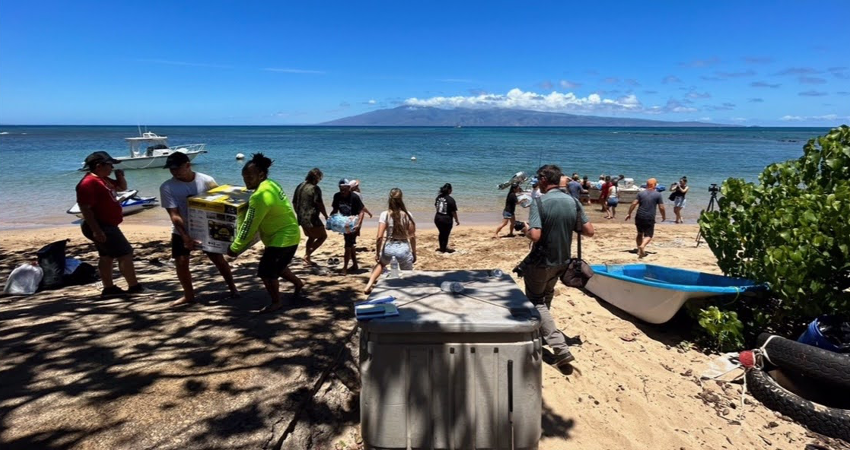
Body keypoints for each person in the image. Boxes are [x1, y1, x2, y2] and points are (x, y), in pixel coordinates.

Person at [525, 164, 595, 368]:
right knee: (546, 295)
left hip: (541, 260)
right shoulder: (573, 201)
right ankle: (542, 331)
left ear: (545, 179)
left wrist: (527, 231)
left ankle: (560, 348)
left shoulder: (538, 202)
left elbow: (536, 235)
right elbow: (589, 231)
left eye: (538, 178)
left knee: (536, 300)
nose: (537, 181)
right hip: (563, 261)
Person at [160, 152, 239, 305]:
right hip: (181, 229)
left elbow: (219, 204)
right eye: (171, 169)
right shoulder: (167, 187)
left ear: (188, 165)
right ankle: (188, 295)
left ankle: (233, 288)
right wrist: (185, 236)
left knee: (218, 259)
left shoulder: (207, 180)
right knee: (181, 262)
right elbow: (174, 214)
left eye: (177, 168)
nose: (174, 172)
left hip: (207, 229)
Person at [227, 153, 303, 313]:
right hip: (291, 233)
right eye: (244, 177)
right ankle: (298, 283)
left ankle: (276, 302)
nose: (246, 181)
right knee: (279, 267)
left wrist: (235, 248)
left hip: (283, 238)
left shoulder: (259, 196)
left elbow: (249, 225)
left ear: (261, 174)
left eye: (249, 177)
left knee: (266, 273)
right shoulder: (271, 184)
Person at [75, 151, 142, 299]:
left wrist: (120, 176)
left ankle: (109, 288)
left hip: (107, 225)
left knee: (107, 256)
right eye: (110, 165)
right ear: (99, 166)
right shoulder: (88, 183)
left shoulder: (103, 179)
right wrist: (97, 230)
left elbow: (122, 188)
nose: (112, 167)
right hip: (101, 225)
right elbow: (85, 208)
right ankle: (134, 287)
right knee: (125, 253)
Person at [364, 188, 417, 294]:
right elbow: (412, 237)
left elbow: (379, 237)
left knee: (381, 264)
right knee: (407, 274)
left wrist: (377, 253)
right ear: (401, 199)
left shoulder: (385, 214)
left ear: (390, 199)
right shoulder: (407, 215)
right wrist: (414, 253)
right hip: (403, 247)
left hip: (389, 246)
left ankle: (369, 285)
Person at [293, 168, 329, 266]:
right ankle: (307, 255)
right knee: (323, 236)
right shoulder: (315, 188)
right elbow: (319, 203)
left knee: (311, 237)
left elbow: (294, 202)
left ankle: (307, 257)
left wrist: (298, 213)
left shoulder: (300, 186)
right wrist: (326, 215)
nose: (319, 181)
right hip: (312, 218)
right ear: (316, 178)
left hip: (301, 218)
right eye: (319, 178)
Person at [331, 178, 366, 275]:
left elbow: (362, 211)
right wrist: (330, 220)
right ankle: (355, 264)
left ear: (349, 188)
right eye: (341, 189)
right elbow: (335, 209)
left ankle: (345, 268)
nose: (342, 192)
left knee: (347, 245)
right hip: (343, 223)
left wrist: (359, 225)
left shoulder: (354, 197)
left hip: (353, 224)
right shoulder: (337, 196)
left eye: (344, 189)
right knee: (350, 245)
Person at [625, 178, 667, 258]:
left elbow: (634, 203)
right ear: (654, 185)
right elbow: (661, 207)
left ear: (647, 184)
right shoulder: (657, 194)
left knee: (639, 233)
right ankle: (642, 246)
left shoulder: (641, 193)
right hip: (649, 217)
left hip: (639, 216)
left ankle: (638, 250)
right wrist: (663, 216)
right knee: (649, 235)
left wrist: (629, 213)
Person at [434, 183, 459, 253]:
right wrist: (457, 220)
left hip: (437, 218)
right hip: (446, 219)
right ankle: (444, 249)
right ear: (449, 190)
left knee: (441, 233)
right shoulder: (451, 200)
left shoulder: (438, 197)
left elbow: (436, 207)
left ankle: (442, 247)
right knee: (446, 234)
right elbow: (453, 212)